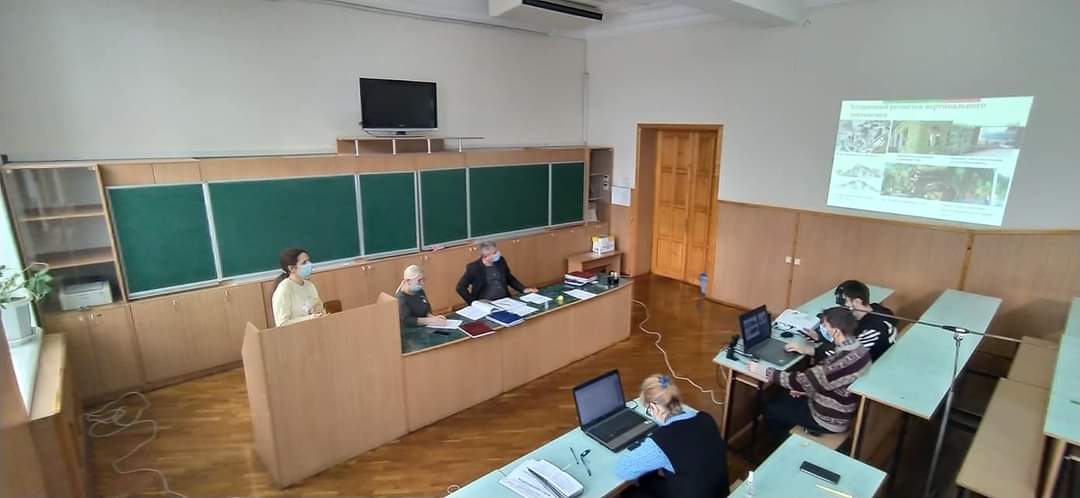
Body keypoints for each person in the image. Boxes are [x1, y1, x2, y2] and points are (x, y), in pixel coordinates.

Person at [749, 307, 871, 441]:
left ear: (836, 331)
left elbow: (801, 381)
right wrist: (807, 390)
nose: (823, 328)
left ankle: (782, 444)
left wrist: (765, 371)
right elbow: (827, 381)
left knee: (771, 409)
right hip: (840, 405)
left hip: (829, 418)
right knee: (785, 397)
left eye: (825, 326)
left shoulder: (838, 362)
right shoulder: (859, 348)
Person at [615, 375, 729, 498]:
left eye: (649, 410)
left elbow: (624, 470)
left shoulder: (662, 441)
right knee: (648, 479)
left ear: (654, 407)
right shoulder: (705, 418)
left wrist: (648, 444)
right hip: (718, 493)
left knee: (629, 493)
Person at [788, 280, 898, 362]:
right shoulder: (876, 309)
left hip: (867, 367)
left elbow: (845, 356)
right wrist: (820, 338)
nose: (843, 307)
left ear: (857, 302)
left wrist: (809, 350)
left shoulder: (874, 329)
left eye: (845, 302)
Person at [455, 241, 537, 304]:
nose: (498, 254)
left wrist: (523, 289)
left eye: (496, 251)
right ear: (486, 256)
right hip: (486, 303)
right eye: (494, 253)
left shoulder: (500, 261)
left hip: (505, 300)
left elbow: (509, 278)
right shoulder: (474, 268)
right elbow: (460, 287)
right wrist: (474, 302)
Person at [271, 248, 326, 327]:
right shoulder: (284, 289)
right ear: (291, 268)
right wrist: (310, 318)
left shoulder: (309, 285)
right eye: (304, 262)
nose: (309, 264)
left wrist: (321, 314)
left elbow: (320, 310)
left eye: (308, 261)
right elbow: (282, 324)